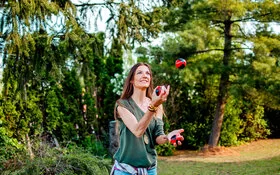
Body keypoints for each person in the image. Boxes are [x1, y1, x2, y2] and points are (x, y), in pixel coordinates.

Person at [110, 62, 184, 175]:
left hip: (150, 170)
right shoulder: (122, 105)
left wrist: (168, 137)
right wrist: (153, 106)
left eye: (148, 73)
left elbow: (158, 137)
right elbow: (138, 131)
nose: (145, 75)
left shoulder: (157, 105)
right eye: (139, 73)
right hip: (125, 170)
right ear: (131, 80)